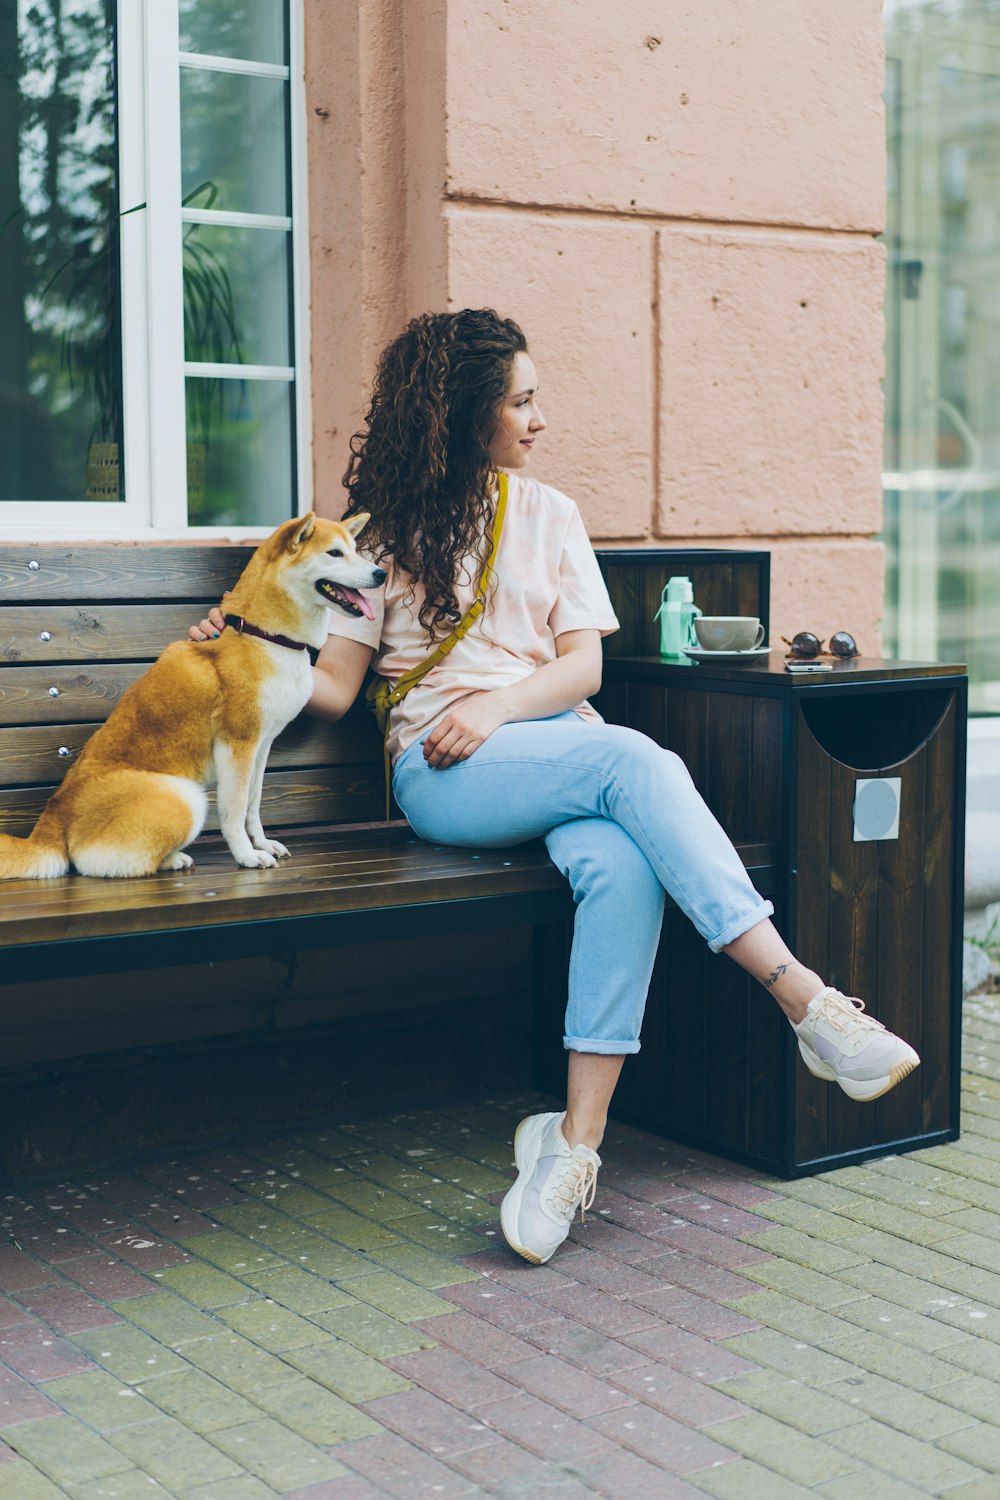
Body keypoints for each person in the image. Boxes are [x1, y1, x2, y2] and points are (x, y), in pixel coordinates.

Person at [191, 308, 920, 1267]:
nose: (539, 421)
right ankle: (805, 1001)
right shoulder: (377, 538)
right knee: (637, 761)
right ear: (464, 415)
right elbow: (332, 688)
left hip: (556, 753)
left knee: (623, 865)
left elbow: (584, 673)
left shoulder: (552, 515)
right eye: (522, 402)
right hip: (444, 774)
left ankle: (573, 1148)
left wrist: (497, 708)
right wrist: (244, 638)